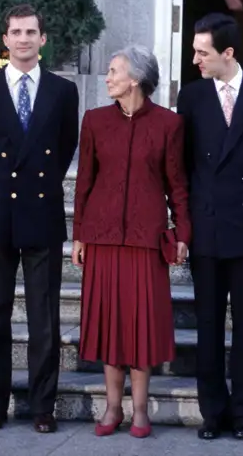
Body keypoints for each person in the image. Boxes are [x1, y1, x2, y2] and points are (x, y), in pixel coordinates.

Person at [0, 4, 79, 434]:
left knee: (44, 317)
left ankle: (43, 407)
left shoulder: (63, 92)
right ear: (5, 40)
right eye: (16, 32)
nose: (24, 39)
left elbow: (66, 147)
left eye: (31, 32)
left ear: (43, 40)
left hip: (42, 211)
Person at [72, 45, 190, 439]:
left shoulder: (169, 125)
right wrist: (79, 235)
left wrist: (182, 235)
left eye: (113, 71)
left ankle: (140, 411)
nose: (107, 78)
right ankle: (111, 408)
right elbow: (84, 183)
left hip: (146, 240)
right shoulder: (94, 121)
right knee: (108, 325)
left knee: (140, 326)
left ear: (135, 78)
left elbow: (177, 185)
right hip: (103, 238)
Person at [177, 13, 243, 441]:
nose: (195, 59)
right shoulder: (192, 97)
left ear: (228, 53)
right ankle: (211, 413)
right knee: (207, 325)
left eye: (203, 52)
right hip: (207, 226)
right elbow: (182, 164)